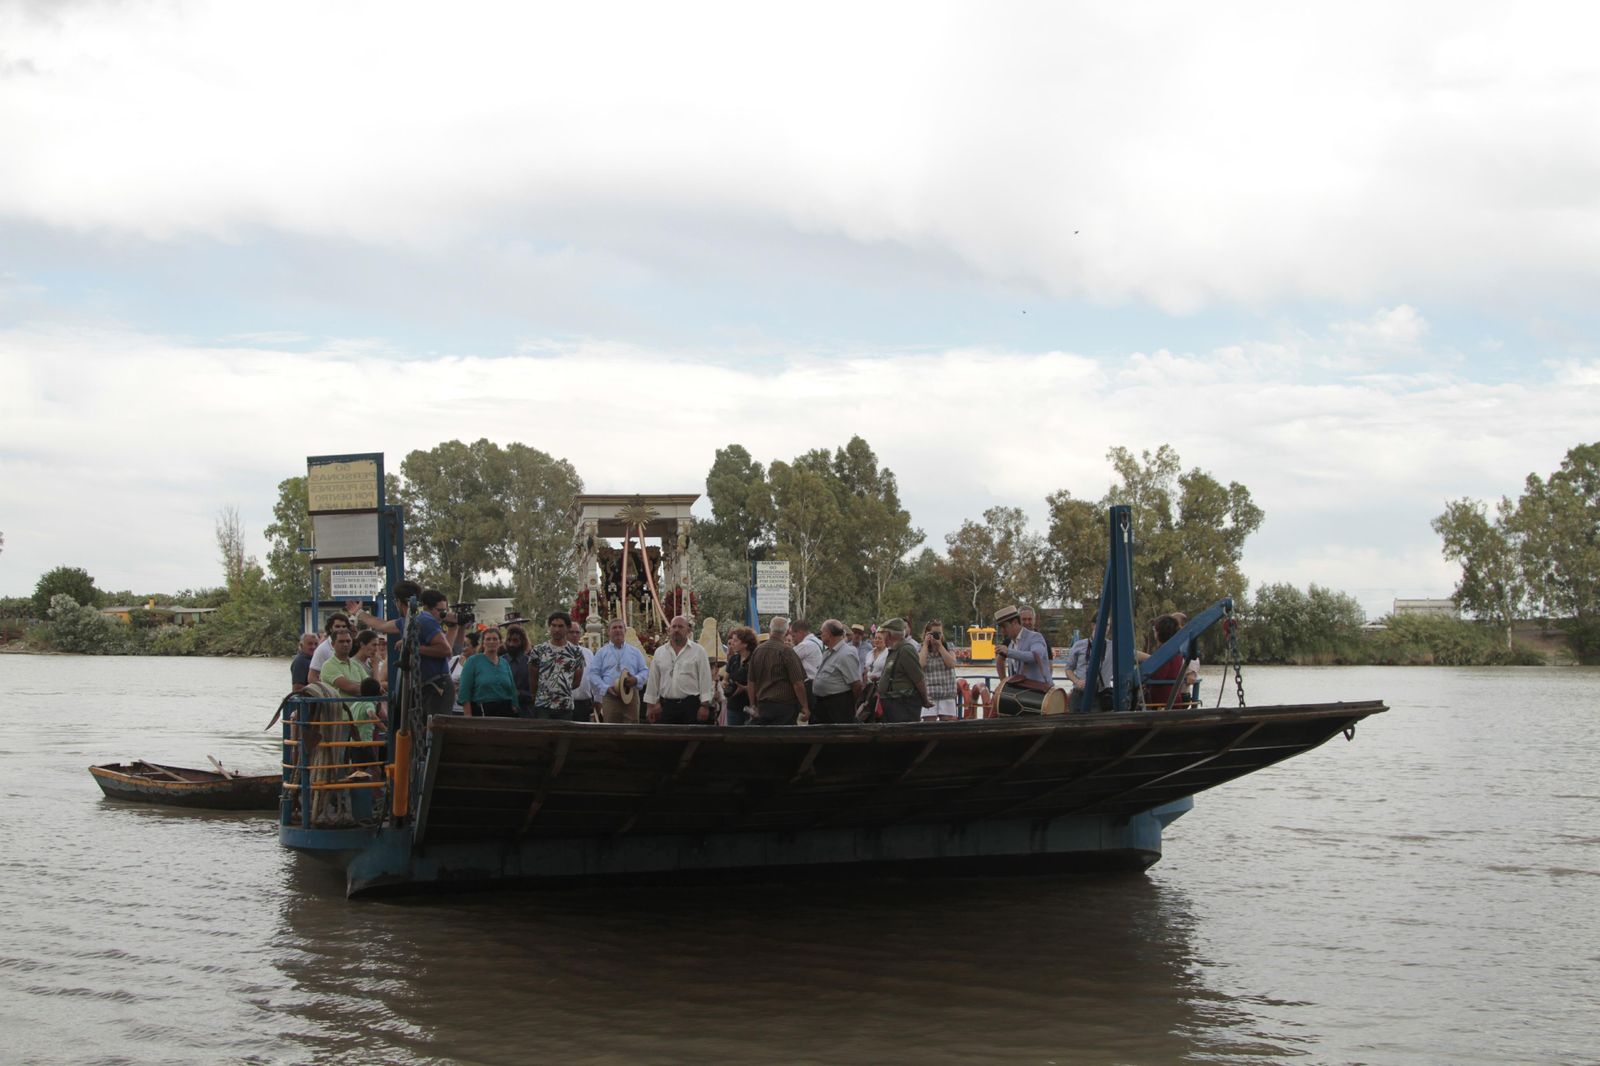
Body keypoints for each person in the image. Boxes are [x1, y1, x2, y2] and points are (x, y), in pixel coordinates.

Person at [348, 584, 459, 720]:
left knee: (434, 735)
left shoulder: (424, 620)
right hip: (424, 687)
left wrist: (413, 647)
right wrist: (359, 613)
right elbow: (381, 625)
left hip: (437, 688)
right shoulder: (407, 622)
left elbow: (445, 650)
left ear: (398, 602)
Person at [318, 629, 381, 774]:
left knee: (361, 762)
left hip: (358, 722)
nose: (345, 644)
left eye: (348, 641)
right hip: (340, 720)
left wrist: (370, 688)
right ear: (333, 644)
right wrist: (368, 689)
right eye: (341, 641)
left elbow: (372, 686)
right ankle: (341, 793)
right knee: (340, 759)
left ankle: (361, 792)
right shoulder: (329, 665)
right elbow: (350, 687)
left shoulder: (356, 665)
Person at [644, 614, 715, 724]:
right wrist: (650, 706)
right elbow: (653, 680)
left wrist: (705, 706)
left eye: (680, 627)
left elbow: (705, 680)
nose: (676, 629)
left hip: (691, 706)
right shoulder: (660, 652)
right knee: (667, 740)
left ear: (688, 630)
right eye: (674, 626)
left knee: (691, 739)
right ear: (669, 630)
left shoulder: (699, 651)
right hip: (666, 706)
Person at [747, 616, 808, 726]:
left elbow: (751, 682)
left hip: (763, 706)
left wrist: (752, 705)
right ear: (787, 631)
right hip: (784, 708)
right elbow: (798, 683)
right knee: (784, 740)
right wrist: (805, 706)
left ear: (770, 629)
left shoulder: (757, 651)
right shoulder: (787, 652)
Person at [529, 611, 586, 720]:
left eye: (560, 626)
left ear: (567, 628)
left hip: (565, 706)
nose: (556, 629)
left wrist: (562, 688)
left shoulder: (576, 652)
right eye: (553, 626)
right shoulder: (539, 650)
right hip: (543, 705)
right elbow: (533, 677)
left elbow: (577, 681)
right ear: (549, 627)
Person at [592, 618, 649, 724]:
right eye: (614, 628)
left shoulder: (635, 652)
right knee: (611, 729)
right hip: (610, 697)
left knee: (632, 731)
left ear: (625, 631)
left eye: (620, 627)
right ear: (608, 632)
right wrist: (606, 688)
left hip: (630, 695)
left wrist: (636, 679)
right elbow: (593, 674)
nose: (618, 630)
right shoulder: (601, 652)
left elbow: (645, 671)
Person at [875, 617, 931, 722]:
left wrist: (925, 700)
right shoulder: (894, 650)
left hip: (902, 706)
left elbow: (919, 679)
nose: (881, 637)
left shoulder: (906, 650)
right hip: (892, 704)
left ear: (889, 635)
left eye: (883, 633)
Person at [810, 619, 863, 724]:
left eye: (822, 632)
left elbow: (856, 685)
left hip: (837, 708)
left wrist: (851, 706)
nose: (820, 635)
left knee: (837, 737)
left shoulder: (846, 654)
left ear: (829, 634)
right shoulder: (828, 651)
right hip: (822, 706)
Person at [458, 626, 519, 717]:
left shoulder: (504, 663)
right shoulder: (473, 661)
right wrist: (468, 715)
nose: (491, 642)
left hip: (506, 710)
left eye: (495, 639)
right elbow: (464, 690)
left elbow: (512, 688)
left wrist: (515, 705)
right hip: (482, 710)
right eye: (488, 639)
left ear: (500, 642)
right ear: (482, 643)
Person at [993, 605, 1052, 690]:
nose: (1002, 630)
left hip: (1040, 694)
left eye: (1004, 626)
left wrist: (1009, 652)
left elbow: (1036, 656)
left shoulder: (1036, 637)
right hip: (1022, 695)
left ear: (1014, 622)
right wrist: (1003, 683)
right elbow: (1000, 660)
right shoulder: (1011, 644)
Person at [917, 619, 960, 721]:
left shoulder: (948, 646)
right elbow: (920, 665)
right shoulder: (921, 648)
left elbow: (951, 664)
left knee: (947, 726)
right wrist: (926, 645)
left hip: (947, 693)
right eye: (934, 633)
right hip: (929, 695)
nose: (937, 636)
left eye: (939, 633)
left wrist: (940, 646)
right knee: (929, 725)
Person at [722, 625, 756, 725]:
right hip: (733, 705)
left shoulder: (755, 659)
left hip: (750, 705)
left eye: (736, 641)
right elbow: (726, 678)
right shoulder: (733, 659)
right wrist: (725, 684)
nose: (732, 643)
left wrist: (745, 688)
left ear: (745, 644)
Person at [306, 612, 352, 685]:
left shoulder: (349, 645)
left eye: (344, 626)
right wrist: (327, 691)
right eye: (337, 626)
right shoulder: (322, 649)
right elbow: (312, 677)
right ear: (330, 628)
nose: (341, 629)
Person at [790, 619, 824, 708]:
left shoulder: (805, 645)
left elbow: (788, 658)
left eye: (793, 636)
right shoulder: (819, 642)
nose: (793, 640)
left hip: (810, 686)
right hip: (821, 682)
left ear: (800, 632)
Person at [503, 624, 533, 716]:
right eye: (509, 640)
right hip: (503, 710)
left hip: (525, 711)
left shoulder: (531, 662)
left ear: (522, 642)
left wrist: (520, 693)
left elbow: (536, 691)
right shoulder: (500, 662)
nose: (511, 644)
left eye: (515, 641)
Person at [570, 632, 598, 722]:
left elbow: (593, 676)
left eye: (577, 633)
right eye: (571, 632)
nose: (574, 635)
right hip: (565, 703)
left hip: (584, 703)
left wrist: (597, 698)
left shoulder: (588, 653)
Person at [450, 630, 479, 713]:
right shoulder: (454, 660)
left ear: (475, 647)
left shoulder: (479, 663)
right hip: (453, 708)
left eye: (466, 645)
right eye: (462, 645)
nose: (463, 648)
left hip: (471, 708)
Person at [1063, 630, 1093, 710]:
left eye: (1108, 625)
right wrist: (1077, 681)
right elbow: (1068, 669)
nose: (1106, 628)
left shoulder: (1111, 646)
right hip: (1079, 694)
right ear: (1093, 625)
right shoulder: (1079, 645)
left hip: (1101, 695)